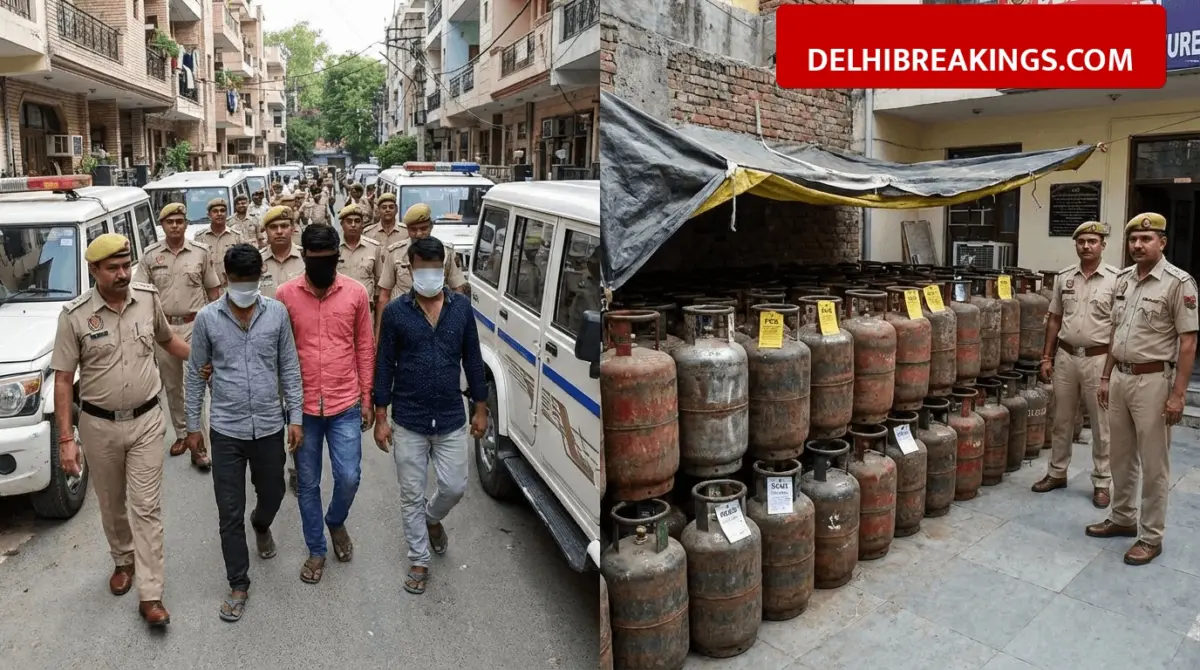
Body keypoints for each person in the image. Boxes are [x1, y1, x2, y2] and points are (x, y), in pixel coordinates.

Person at [50, 233, 191, 627]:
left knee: (146, 508)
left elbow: (168, 341)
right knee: (112, 505)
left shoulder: (147, 298)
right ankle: (122, 560)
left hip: (147, 420)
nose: (123, 274)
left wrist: (209, 360)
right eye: (113, 268)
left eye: (126, 265)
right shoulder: (75, 316)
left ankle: (151, 594)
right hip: (98, 426)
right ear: (93, 270)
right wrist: (66, 440)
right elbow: (63, 381)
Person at [185, 244, 304, 622]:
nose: (246, 287)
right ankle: (239, 583)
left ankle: (262, 523)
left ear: (259, 279)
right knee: (228, 510)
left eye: (252, 280)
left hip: (269, 424)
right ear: (226, 280)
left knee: (273, 492)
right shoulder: (207, 319)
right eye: (239, 281)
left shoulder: (277, 314)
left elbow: (289, 366)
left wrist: (296, 417)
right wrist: (193, 426)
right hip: (226, 428)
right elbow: (195, 372)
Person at [373, 236, 488, 595]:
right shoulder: (395, 313)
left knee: (454, 487)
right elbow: (384, 365)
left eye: (436, 266)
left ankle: (432, 518)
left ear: (444, 267)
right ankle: (419, 558)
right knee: (410, 493)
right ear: (410, 267)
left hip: (452, 416)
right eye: (422, 266)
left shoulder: (461, 309)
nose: (429, 273)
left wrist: (481, 408)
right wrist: (380, 415)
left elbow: (472, 359)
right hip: (408, 418)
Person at [1090, 212, 1199, 566]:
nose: (1138, 245)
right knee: (1120, 456)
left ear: (1162, 242)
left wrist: (1178, 394)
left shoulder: (1178, 283)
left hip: (1153, 382)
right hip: (1120, 377)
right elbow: (1114, 334)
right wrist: (1106, 377)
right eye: (1133, 239)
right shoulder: (1122, 280)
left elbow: (1187, 343)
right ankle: (1123, 518)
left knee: (1154, 464)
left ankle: (1151, 536)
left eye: (1146, 239)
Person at [276, 224, 375, 585]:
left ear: (338, 257)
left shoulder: (356, 294)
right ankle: (316, 549)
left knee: (349, 476)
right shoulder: (285, 295)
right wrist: (287, 412)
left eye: (329, 260)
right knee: (307, 483)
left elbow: (365, 346)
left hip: (345, 402)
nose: (322, 266)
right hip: (303, 410)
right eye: (315, 260)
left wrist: (367, 397)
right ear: (304, 258)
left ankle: (335, 520)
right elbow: (279, 354)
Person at [1033, 221, 1118, 507]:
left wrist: (1110, 370)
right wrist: (1047, 356)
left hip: (1099, 358)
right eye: (1081, 241)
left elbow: (1119, 326)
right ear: (1076, 245)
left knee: (1101, 424)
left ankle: (1102, 482)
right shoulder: (1064, 278)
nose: (1086, 246)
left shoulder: (1116, 280)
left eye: (1092, 241)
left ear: (1102, 245)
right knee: (1061, 419)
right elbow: (1055, 319)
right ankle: (1057, 472)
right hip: (1066, 356)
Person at [133, 203, 222, 467]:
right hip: (164, 330)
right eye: (169, 221)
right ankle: (183, 434)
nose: (175, 225)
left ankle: (202, 443)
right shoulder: (149, 256)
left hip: (197, 326)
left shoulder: (200, 253)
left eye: (179, 221)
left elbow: (214, 294)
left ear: (185, 224)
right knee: (172, 386)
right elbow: (140, 295)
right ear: (162, 225)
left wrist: (216, 329)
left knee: (200, 382)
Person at [375, 203, 468, 337]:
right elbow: (384, 296)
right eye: (413, 229)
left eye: (423, 228)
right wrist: (379, 335)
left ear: (431, 227)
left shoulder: (446, 252)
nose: (419, 234)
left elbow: (457, 289)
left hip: (437, 322)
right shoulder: (395, 253)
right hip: (403, 323)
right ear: (407, 229)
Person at [335, 204, 382, 306]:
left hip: (365, 306)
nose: (353, 225)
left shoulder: (374, 247)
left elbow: (379, 283)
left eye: (357, 221)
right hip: (339, 305)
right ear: (342, 224)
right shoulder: (333, 247)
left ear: (362, 224)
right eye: (349, 221)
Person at [195, 198, 246, 287]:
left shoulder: (237, 236)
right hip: (208, 288)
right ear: (209, 215)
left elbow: (243, 262)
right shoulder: (200, 237)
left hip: (231, 286)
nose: (219, 214)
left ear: (227, 214)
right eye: (215, 211)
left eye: (222, 211)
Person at [260, 206, 306, 301]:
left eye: (284, 226)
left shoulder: (305, 258)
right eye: (273, 227)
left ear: (292, 229)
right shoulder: (257, 260)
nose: (279, 231)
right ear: (266, 231)